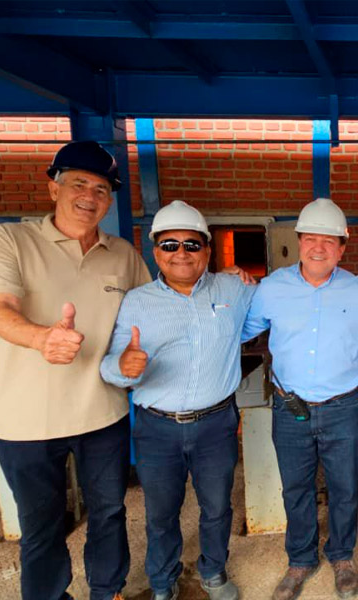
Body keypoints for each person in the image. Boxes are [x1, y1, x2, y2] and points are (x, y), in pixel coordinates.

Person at [0, 141, 150, 600]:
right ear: (54, 188)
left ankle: (107, 591)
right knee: (42, 527)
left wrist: (225, 279)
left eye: (101, 189)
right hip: (28, 422)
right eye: (78, 184)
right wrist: (41, 338)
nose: (89, 196)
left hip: (103, 416)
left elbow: (155, 307)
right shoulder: (9, 239)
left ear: (109, 200)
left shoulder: (123, 254)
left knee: (109, 513)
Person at [101, 201, 254, 600]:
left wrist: (241, 273)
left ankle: (213, 572)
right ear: (156, 252)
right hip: (157, 427)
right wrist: (123, 367)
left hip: (216, 424)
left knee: (217, 507)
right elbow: (108, 366)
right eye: (170, 245)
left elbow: (276, 304)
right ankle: (162, 582)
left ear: (207, 250)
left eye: (192, 244)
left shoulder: (234, 290)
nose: (181, 253)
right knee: (160, 513)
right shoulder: (136, 302)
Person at [242, 198, 358, 600]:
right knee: (296, 488)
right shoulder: (271, 289)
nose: (318, 248)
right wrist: (228, 288)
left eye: (329, 241)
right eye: (311, 239)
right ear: (299, 242)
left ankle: (342, 556)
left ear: (342, 248)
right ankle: (301, 559)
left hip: (343, 407)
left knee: (344, 487)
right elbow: (239, 330)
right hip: (289, 407)